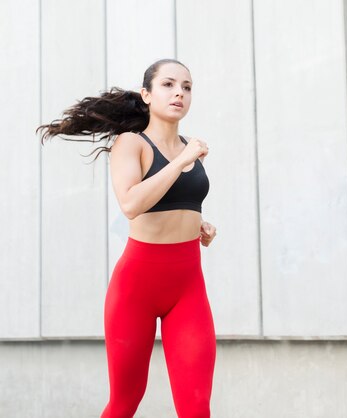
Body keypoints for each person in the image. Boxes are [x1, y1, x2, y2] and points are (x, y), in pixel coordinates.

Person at [37, 58, 217, 417]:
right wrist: (182, 160)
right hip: (137, 287)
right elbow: (132, 204)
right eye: (168, 85)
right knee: (124, 402)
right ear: (146, 94)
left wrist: (198, 223)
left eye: (187, 86)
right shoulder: (131, 143)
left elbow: (172, 199)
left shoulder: (187, 146)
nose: (179, 92)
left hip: (188, 285)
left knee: (196, 406)